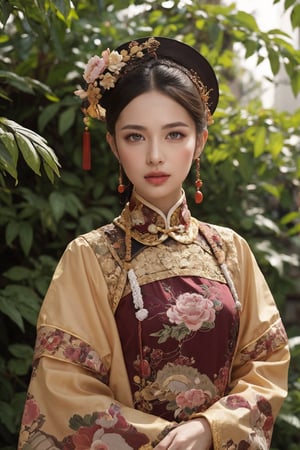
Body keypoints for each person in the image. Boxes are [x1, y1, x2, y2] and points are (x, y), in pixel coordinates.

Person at [18, 36, 289, 450]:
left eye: (175, 134)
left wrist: (209, 429)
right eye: (135, 137)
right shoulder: (89, 257)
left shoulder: (230, 251)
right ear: (113, 146)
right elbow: (64, 390)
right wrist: (170, 441)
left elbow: (266, 363)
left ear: (199, 142)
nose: (156, 156)